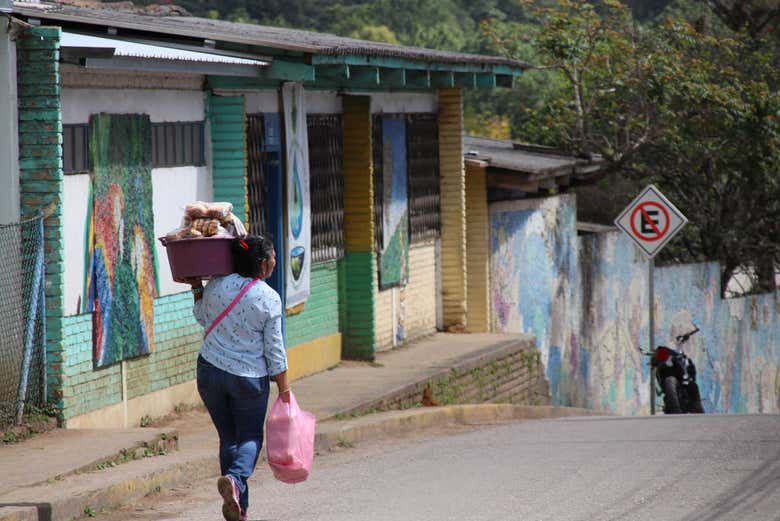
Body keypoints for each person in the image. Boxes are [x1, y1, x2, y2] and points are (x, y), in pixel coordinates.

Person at [182, 235, 289, 521]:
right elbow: (275, 349)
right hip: (248, 379)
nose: (275, 262)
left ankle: (239, 509)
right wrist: (285, 390)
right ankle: (237, 480)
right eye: (274, 258)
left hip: (210, 372)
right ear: (264, 265)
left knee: (228, 438)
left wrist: (196, 288)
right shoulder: (269, 298)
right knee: (250, 437)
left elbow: (202, 317)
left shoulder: (216, 285)